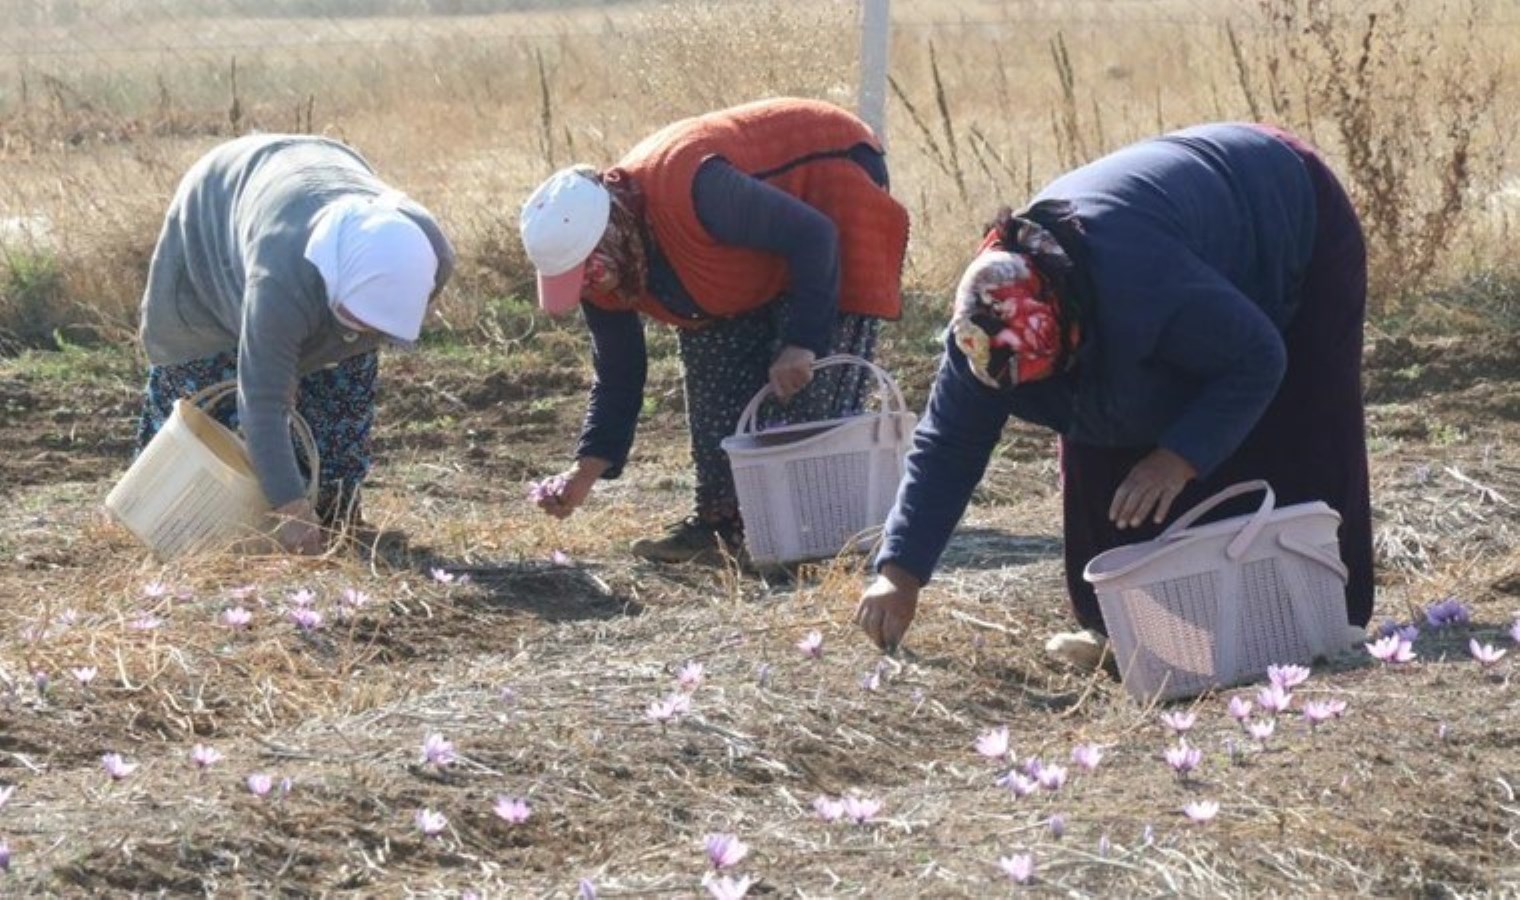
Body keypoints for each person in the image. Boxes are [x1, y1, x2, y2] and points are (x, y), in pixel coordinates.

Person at [853, 123, 1373, 668]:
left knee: (1293, 427)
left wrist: (1178, 458)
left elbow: (1258, 357)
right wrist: (899, 575)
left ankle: (1328, 616)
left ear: (1067, 330)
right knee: (1099, 434)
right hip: (1174, 268)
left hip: (1287, 215)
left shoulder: (1138, 283)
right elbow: (947, 448)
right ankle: (1125, 631)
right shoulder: (986, 329)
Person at [519, 97, 909, 563]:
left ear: (609, 233)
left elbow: (814, 235)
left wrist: (803, 341)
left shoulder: (693, 188)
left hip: (829, 175)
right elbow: (619, 373)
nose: (589, 287)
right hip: (747, 245)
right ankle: (721, 528)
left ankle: (817, 539)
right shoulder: (608, 267)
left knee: (806, 390)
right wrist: (582, 473)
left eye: (586, 271)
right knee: (713, 371)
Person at [136, 134, 455, 553]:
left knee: (340, 399)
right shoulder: (280, 281)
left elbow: (365, 328)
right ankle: (174, 532)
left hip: (319, 176)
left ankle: (336, 516)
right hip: (215, 223)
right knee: (201, 414)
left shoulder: (429, 256)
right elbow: (262, 404)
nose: (363, 333)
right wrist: (291, 509)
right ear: (335, 284)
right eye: (356, 318)